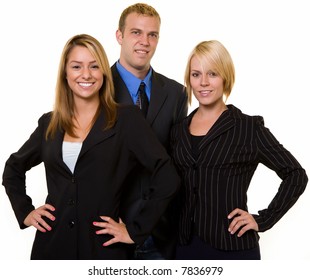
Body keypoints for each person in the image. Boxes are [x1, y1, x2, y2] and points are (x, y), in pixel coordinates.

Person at [2, 34, 181, 260]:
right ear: (65, 74)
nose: (86, 74)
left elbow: (167, 175)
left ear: (103, 73)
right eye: (77, 66)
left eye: (94, 66)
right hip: (52, 247)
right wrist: (25, 211)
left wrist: (136, 229)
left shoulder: (126, 120)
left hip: (103, 250)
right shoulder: (49, 123)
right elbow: (13, 168)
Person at [170, 40, 308, 260]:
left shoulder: (247, 128)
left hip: (232, 246)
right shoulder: (178, 130)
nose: (203, 82)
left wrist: (263, 219)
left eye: (212, 74)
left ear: (226, 77)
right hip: (184, 247)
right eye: (196, 75)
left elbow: (296, 175)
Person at [111, 3, 188, 260]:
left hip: (161, 232)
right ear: (119, 36)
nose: (145, 41)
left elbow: (178, 161)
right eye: (136, 32)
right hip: (109, 230)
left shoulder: (176, 93)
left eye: (152, 34)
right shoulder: (95, 88)